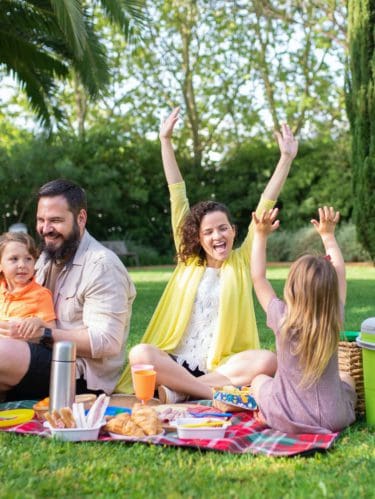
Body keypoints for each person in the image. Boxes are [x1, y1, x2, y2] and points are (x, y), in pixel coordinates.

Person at [115, 107, 298, 402]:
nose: (217, 236)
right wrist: (165, 141)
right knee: (140, 354)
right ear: (198, 238)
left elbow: (266, 203)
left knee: (267, 361)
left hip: (221, 367)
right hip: (175, 361)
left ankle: (178, 392)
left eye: (223, 229)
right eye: (209, 232)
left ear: (234, 231)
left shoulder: (241, 261)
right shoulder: (188, 259)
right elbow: (177, 193)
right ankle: (207, 393)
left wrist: (286, 158)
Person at [0, 179, 136, 401]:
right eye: (41, 220)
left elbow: (108, 342)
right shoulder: (45, 257)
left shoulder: (102, 265)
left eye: (55, 220)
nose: (45, 229)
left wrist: (42, 334)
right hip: (35, 355)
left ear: (81, 218)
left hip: (79, 376)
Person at [250, 206, 357, 433]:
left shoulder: (282, 317)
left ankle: (266, 415)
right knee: (346, 377)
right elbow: (340, 272)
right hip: (333, 417)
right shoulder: (334, 315)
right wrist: (328, 236)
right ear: (330, 291)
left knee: (259, 380)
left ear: (292, 287)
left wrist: (260, 236)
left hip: (286, 415)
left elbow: (258, 278)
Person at [0, 231, 56, 336]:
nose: (22, 265)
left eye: (28, 259)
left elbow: (52, 329)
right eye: (14, 259)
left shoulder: (40, 295)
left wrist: (39, 322)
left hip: (25, 347)